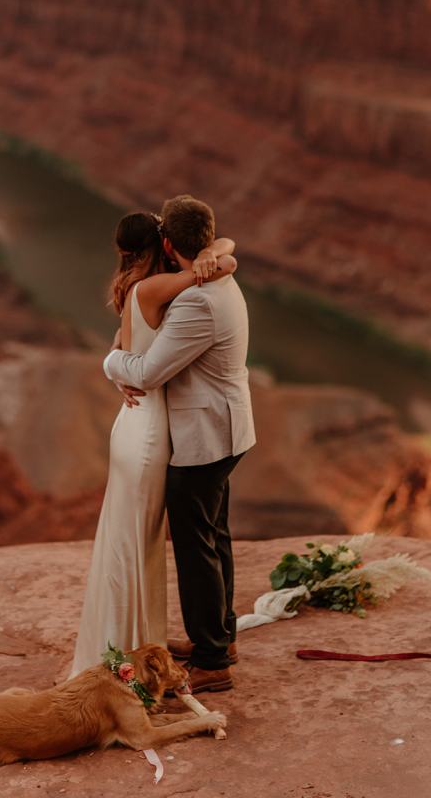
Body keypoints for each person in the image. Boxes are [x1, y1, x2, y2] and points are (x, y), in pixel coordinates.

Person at [69, 208, 237, 678]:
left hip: (141, 424)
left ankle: (151, 641)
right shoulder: (156, 289)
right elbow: (224, 265)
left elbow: (224, 254)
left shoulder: (135, 287)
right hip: (149, 431)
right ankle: (145, 648)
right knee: (141, 541)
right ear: (161, 245)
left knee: (141, 540)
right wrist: (216, 255)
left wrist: (215, 250)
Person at [103, 195, 255, 695]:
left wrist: (109, 363)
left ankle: (212, 660)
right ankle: (220, 639)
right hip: (225, 429)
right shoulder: (219, 278)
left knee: (196, 548)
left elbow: (147, 373)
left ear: (168, 244)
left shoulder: (194, 301)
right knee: (214, 536)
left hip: (205, 437)